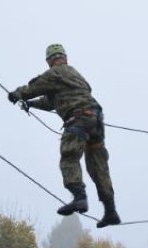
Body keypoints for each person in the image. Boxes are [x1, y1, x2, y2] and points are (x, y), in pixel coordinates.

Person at [8, 44, 120, 228]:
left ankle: (79, 197)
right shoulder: (74, 75)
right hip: (96, 120)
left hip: (78, 119)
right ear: (65, 57)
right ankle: (110, 211)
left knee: (69, 157)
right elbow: (51, 101)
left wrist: (16, 94)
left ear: (49, 60)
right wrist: (32, 105)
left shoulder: (55, 73)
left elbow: (34, 87)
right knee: (98, 165)